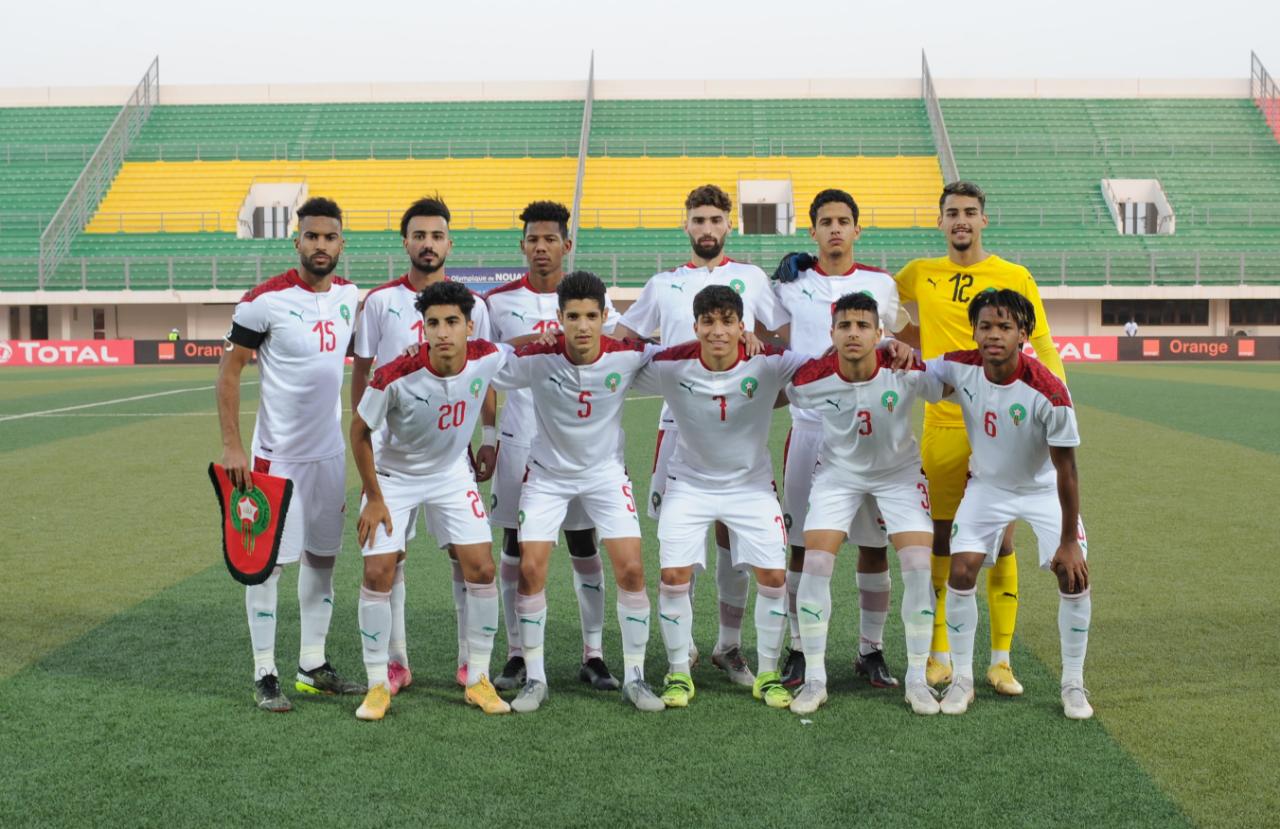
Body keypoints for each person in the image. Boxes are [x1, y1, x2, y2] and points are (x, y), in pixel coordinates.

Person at [893, 180, 1067, 694]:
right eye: (952, 212)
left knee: (1001, 538)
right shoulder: (920, 272)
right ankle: (940, 652)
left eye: (970, 211)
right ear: (940, 221)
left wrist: (1060, 402)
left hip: (1004, 423)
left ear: (983, 220)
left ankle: (1001, 659)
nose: (961, 220)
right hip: (945, 422)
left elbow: (1042, 344)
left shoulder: (1013, 276)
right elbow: (873, 296)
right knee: (946, 536)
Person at [612, 183, 786, 686]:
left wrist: (758, 343)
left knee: (735, 538)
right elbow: (624, 341)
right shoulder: (662, 284)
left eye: (715, 220)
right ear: (685, 225)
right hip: (676, 426)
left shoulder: (751, 278)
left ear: (728, 224)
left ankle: (729, 646)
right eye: (698, 220)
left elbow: (781, 338)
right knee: (678, 543)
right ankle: (682, 646)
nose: (707, 229)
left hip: (737, 426)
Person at [216, 196, 364, 712]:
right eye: (312, 236)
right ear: (296, 240)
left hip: (328, 458)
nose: (320, 245)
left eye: (330, 237)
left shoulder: (351, 296)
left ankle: (312, 664)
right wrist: (234, 445)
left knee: (323, 559)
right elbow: (230, 371)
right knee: (269, 566)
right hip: (275, 460)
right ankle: (265, 672)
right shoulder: (264, 301)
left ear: (342, 243)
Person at [491, 271, 663, 713]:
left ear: (606, 316)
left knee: (630, 569)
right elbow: (487, 356)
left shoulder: (626, 356)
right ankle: (535, 677)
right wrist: (536, 336)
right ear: (559, 317)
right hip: (547, 476)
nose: (583, 326)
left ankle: (636, 677)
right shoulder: (538, 357)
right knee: (530, 569)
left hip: (605, 476)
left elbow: (685, 357)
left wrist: (746, 345)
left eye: (591, 316)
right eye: (573, 317)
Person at [633, 285, 809, 709]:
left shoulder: (768, 361)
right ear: (695, 326)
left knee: (773, 577)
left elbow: (824, 362)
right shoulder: (670, 363)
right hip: (689, 485)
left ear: (740, 325)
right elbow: (613, 358)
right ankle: (678, 671)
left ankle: (767, 673)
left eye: (727, 321)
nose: (717, 331)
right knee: (673, 575)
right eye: (708, 322)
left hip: (750, 487)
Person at [924, 289, 1091, 719]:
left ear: (1023, 334)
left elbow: (1067, 471)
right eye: (985, 326)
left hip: (1042, 489)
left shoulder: (1049, 392)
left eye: (1005, 326)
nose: (993, 334)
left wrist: (1069, 540)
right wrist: (892, 348)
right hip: (988, 487)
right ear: (975, 331)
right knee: (961, 570)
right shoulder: (959, 367)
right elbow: (917, 373)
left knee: (1073, 576)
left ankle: (1073, 683)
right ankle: (962, 678)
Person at [350, 196, 494, 693]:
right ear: (405, 241)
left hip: (450, 453)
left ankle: (469, 663)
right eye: (419, 235)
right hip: (391, 460)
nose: (427, 244)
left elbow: (485, 377)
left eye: (437, 235)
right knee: (391, 562)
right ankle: (396, 661)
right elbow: (364, 372)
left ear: (449, 242)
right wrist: (366, 476)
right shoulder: (379, 302)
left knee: (468, 557)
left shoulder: (473, 307)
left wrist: (488, 436)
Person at [771, 188, 911, 691]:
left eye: (843, 220)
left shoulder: (880, 283)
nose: (834, 228)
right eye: (825, 221)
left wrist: (895, 343)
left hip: (871, 431)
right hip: (811, 428)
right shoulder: (789, 283)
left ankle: (870, 650)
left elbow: (899, 338)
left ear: (857, 229)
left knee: (873, 545)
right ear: (811, 231)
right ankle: (799, 648)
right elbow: (768, 335)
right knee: (802, 544)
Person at [784, 292, 944, 715]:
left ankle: (915, 679)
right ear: (832, 332)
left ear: (879, 332)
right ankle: (815, 678)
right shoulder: (810, 378)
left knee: (917, 564)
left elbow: (941, 387)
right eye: (844, 326)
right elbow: (790, 394)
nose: (853, 333)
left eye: (862, 326)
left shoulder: (904, 369)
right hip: (838, 475)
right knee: (815, 561)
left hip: (900, 475)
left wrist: (911, 350)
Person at [484, 201, 621, 693]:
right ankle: (518, 654)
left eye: (550, 239)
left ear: (567, 244)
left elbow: (622, 345)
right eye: (532, 240)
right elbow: (483, 370)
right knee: (517, 550)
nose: (541, 248)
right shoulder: (496, 303)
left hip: (581, 448)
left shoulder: (590, 298)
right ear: (522, 245)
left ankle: (594, 653)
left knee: (585, 544)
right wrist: (486, 437)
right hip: (520, 442)